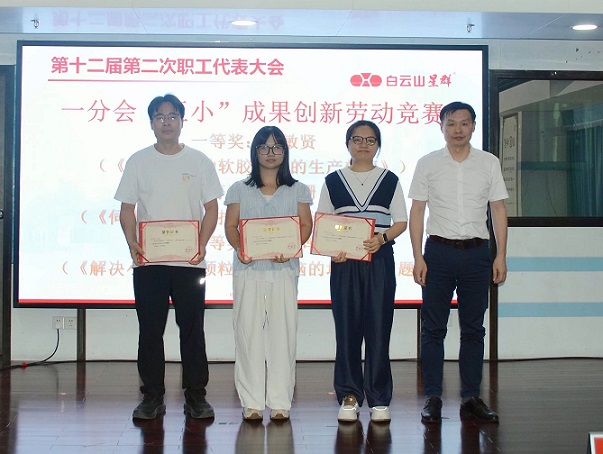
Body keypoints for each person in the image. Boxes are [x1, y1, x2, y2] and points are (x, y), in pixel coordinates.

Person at [114, 93, 223, 420]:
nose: (166, 122)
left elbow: (212, 208)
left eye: (172, 116)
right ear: (151, 123)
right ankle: (152, 396)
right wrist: (133, 244)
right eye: (160, 116)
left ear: (181, 121)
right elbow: (127, 209)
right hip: (149, 262)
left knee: (192, 330)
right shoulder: (138, 161)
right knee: (150, 330)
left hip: (190, 262)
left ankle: (196, 396)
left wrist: (202, 243)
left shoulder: (199, 161)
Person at [408, 101, 508, 424]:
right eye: (451, 123)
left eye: (464, 123)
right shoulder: (428, 163)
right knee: (433, 328)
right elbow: (417, 211)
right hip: (438, 252)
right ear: (441, 127)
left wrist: (501, 255)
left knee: (474, 329)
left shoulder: (489, 163)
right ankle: (433, 397)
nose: (458, 130)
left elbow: (498, 210)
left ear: (474, 126)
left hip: (477, 254)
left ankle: (471, 397)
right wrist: (417, 256)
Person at [317, 120, 408, 423]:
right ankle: (349, 396)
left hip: (379, 261)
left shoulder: (390, 180)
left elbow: (400, 221)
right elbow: (323, 221)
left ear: (378, 145)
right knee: (347, 330)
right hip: (345, 263)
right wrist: (333, 249)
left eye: (370, 140)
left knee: (379, 329)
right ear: (348, 144)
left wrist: (382, 238)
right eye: (357, 139)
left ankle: (379, 398)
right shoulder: (333, 181)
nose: (364, 145)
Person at [224, 126, 313, 421]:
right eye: (264, 147)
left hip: (284, 270)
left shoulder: (298, 189)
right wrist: (241, 249)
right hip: (248, 270)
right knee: (248, 334)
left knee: (282, 335)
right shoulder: (239, 188)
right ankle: (251, 402)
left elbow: (305, 226)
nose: (270, 153)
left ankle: (279, 402)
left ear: (285, 152)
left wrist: (291, 247)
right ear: (255, 152)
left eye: (277, 147)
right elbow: (231, 226)